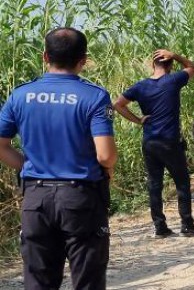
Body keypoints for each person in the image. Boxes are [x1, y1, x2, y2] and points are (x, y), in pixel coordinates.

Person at [0, 28, 117, 289]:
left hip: (35, 200)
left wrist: (28, 165)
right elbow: (106, 155)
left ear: (45, 56)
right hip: (81, 199)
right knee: (88, 280)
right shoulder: (94, 96)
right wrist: (107, 168)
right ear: (83, 60)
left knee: (39, 281)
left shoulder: (20, 95)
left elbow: (1, 145)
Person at [114, 49, 194, 238]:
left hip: (150, 142)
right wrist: (175, 55)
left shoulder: (140, 87)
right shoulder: (173, 80)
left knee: (154, 184)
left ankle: (160, 226)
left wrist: (138, 119)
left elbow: (117, 104)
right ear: (171, 66)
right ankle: (187, 224)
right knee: (182, 183)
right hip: (169, 141)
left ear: (152, 65)